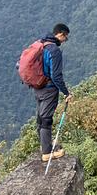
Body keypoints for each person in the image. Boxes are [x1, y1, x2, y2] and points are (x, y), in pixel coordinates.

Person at [35, 23, 73, 163]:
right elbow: (56, 76)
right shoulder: (54, 50)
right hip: (49, 89)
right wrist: (66, 92)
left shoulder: (41, 44)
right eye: (65, 38)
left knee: (40, 117)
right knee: (46, 119)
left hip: (37, 86)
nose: (64, 41)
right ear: (61, 34)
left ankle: (45, 146)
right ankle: (46, 152)